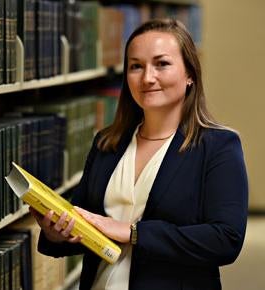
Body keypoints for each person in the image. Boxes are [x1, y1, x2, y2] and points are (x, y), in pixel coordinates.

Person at [29, 18, 248, 290]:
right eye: (136, 66)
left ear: (190, 74)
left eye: (162, 64)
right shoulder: (107, 143)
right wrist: (59, 234)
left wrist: (134, 233)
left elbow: (225, 239)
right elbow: (90, 223)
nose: (147, 78)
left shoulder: (218, 146)